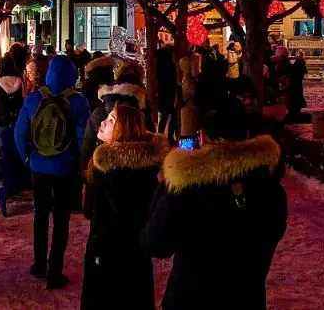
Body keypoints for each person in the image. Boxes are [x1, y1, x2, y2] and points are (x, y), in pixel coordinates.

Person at [140, 102, 288, 310]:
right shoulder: (271, 191)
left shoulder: (188, 191)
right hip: (246, 299)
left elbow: (153, 243)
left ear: (202, 138)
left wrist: (170, 182)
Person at [80, 105, 168, 310]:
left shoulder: (105, 167)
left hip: (106, 255)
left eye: (111, 120)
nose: (102, 122)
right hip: (137, 255)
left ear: (123, 130)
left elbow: (89, 211)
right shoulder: (148, 166)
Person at [14, 56, 90, 289]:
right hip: (65, 168)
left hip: (38, 166)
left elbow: (19, 133)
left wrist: (28, 157)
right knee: (61, 219)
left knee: (40, 215)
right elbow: (82, 139)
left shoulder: (34, 99)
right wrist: (80, 164)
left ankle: (38, 264)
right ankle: (55, 271)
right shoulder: (78, 102)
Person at [0, 54, 27, 195]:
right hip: (16, 120)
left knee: (5, 152)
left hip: (2, 121)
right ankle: (20, 181)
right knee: (17, 150)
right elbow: (23, 98)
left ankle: (9, 182)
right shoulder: (19, 80)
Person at [155, 44, 178, 138]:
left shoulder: (158, 64)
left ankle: (160, 135)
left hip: (162, 92)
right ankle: (170, 136)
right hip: (170, 91)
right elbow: (174, 79)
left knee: (164, 115)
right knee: (173, 114)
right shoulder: (171, 65)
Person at [285, 50, 308, 122]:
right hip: (298, 80)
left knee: (298, 91)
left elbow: (296, 70)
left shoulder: (298, 62)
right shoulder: (300, 62)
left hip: (296, 80)